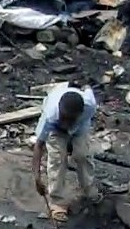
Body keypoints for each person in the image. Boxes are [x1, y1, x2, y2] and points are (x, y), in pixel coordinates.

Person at [31, 84, 98, 221]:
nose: (66, 124)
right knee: (57, 159)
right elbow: (39, 146)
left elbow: (88, 88)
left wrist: (85, 85)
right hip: (56, 129)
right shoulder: (50, 115)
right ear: (60, 111)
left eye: (70, 119)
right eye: (64, 117)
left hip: (80, 128)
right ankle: (57, 202)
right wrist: (37, 177)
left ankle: (89, 190)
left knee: (83, 155)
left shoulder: (90, 106)